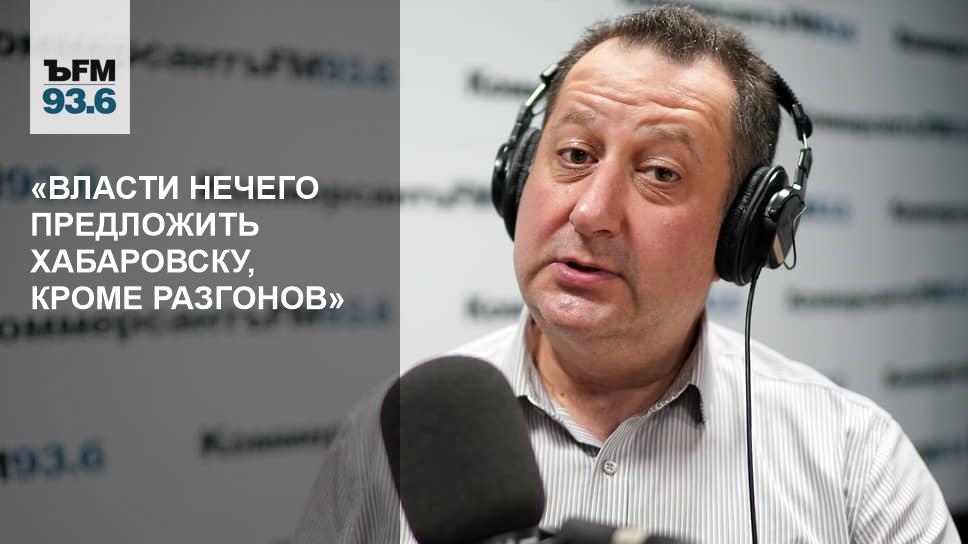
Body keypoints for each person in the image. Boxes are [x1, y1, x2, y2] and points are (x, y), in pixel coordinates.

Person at [294, 6, 959, 543]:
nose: (592, 212)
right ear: (518, 175)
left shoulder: (855, 460)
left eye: (661, 173)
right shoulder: (391, 438)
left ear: (743, 234)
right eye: (575, 154)